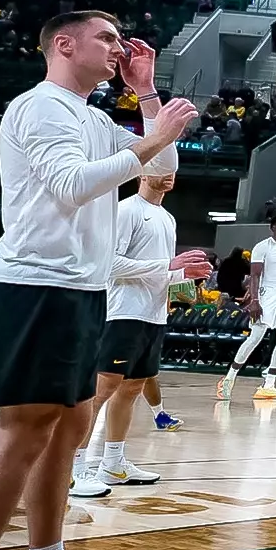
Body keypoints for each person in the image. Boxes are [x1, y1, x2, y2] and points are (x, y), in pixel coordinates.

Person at [0, 13, 190, 550]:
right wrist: (152, 137)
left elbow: (159, 173)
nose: (117, 47)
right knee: (25, 432)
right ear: (63, 43)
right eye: (106, 38)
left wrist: (148, 94)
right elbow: (71, 185)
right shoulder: (41, 106)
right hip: (38, 285)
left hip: (82, 288)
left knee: (71, 424)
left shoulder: (96, 118)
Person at [81, 172, 210, 489]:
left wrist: (184, 281)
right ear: (142, 172)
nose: (167, 176)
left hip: (153, 316)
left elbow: (165, 269)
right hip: (122, 313)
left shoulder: (167, 218)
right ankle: (75, 467)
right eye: (160, 168)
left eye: (172, 171)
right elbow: (110, 264)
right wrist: (169, 265)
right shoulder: (126, 210)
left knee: (131, 390)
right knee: (101, 391)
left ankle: (112, 463)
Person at [219, 216, 276, 401]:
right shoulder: (263, 247)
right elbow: (254, 275)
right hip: (266, 293)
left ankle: (268, 384)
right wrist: (254, 300)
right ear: (272, 227)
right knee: (255, 337)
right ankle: (229, 378)